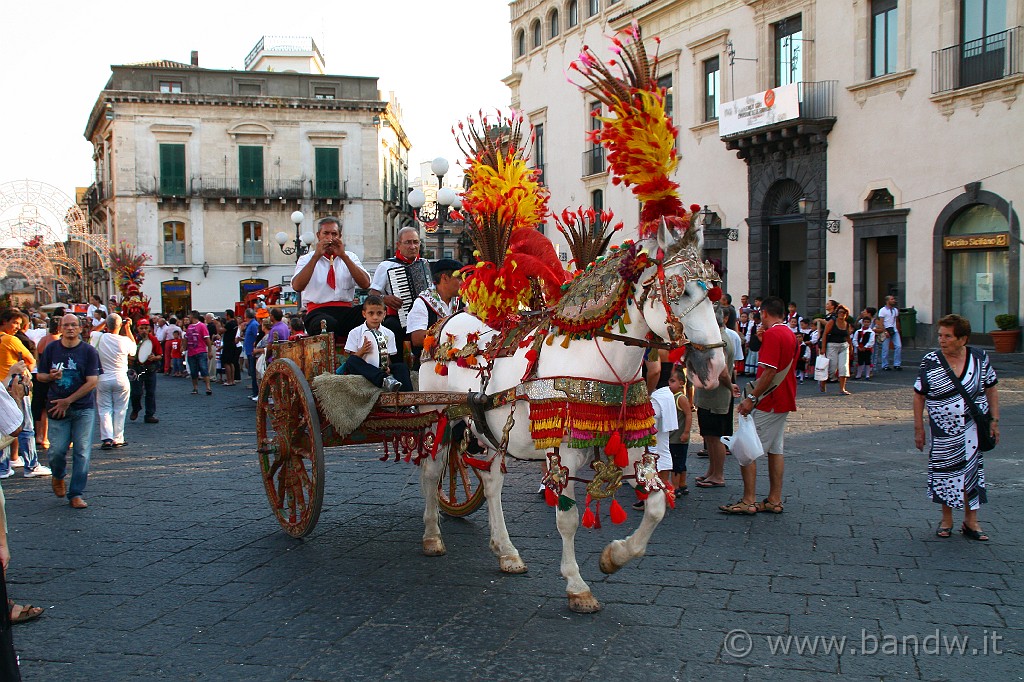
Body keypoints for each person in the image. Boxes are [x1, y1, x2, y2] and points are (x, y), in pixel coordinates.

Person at [913, 314, 999, 541]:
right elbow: (919, 394)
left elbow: (991, 388)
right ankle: (946, 519)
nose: (942, 340)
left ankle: (971, 521)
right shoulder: (931, 360)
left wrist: (995, 420)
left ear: (962, 339)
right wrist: (919, 428)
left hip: (972, 427)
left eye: (947, 336)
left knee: (972, 473)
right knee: (944, 473)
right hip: (942, 430)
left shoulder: (980, 358)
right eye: (940, 335)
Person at [721, 296, 799, 516]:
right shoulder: (788, 333)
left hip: (770, 400)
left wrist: (751, 398)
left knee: (747, 449)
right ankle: (774, 499)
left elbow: (769, 372)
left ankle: (749, 500)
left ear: (764, 313)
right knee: (775, 449)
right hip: (783, 397)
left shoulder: (774, 334)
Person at [38, 314, 101, 509]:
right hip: (57, 407)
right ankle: (58, 475)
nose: (70, 328)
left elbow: (92, 381)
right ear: (60, 328)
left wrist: (69, 400)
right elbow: (39, 376)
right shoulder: (52, 349)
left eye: (74, 325)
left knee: (82, 451)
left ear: (80, 328)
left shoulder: (89, 351)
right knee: (57, 451)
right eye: (66, 325)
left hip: (83, 408)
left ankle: (76, 493)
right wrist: (50, 376)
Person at [291, 216, 371, 339]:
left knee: (371, 313)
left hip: (346, 310)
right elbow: (297, 286)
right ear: (318, 235)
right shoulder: (306, 259)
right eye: (326, 234)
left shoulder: (350, 256)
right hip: (318, 311)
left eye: (334, 234)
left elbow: (365, 284)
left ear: (339, 236)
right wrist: (316, 257)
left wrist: (343, 256)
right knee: (328, 324)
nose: (330, 238)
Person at [694, 310, 738, 489]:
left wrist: (729, 386)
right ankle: (711, 471)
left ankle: (718, 475)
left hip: (716, 395)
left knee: (716, 437)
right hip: (710, 395)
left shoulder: (720, 340)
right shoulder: (721, 337)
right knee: (710, 436)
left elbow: (724, 371)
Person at [370, 226, 431, 354]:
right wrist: (384, 299)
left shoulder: (425, 264)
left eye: (415, 242)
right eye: (408, 242)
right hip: (397, 315)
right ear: (398, 245)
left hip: (422, 317)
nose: (412, 246)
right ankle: (396, 366)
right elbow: (372, 295)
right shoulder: (386, 266)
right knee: (392, 327)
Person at [342, 296, 411, 392]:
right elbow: (353, 358)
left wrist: (387, 368)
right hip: (364, 368)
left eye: (379, 313)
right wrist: (362, 350)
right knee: (351, 361)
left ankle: (408, 402)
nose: (375, 317)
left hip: (381, 367)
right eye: (371, 313)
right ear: (364, 314)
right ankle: (384, 379)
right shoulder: (355, 332)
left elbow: (388, 357)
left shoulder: (389, 333)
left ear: (385, 314)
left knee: (401, 367)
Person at [93, 313, 136, 449]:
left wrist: (104, 323)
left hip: (103, 377)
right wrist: (128, 328)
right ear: (120, 325)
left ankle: (107, 438)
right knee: (120, 409)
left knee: (104, 409)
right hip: (121, 377)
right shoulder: (124, 340)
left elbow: (92, 331)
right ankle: (118, 438)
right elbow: (133, 350)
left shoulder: (99, 337)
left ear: (107, 325)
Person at [638, 372, 681, 510]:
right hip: (663, 394)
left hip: (654, 396)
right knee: (662, 447)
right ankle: (664, 492)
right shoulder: (665, 350)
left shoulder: (653, 351)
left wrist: (647, 393)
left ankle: (653, 494)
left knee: (650, 449)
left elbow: (655, 370)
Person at [407, 258, 464, 363]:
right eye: (459, 278)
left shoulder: (462, 301)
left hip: (456, 358)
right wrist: (451, 336)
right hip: (430, 362)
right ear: (445, 278)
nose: (463, 282)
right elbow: (417, 338)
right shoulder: (423, 302)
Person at [128, 318, 162, 424]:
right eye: (141, 328)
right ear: (137, 329)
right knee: (136, 392)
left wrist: (154, 358)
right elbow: (127, 355)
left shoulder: (153, 340)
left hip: (149, 368)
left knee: (150, 392)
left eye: (146, 328)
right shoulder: (133, 340)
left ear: (149, 329)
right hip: (136, 368)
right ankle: (136, 408)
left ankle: (149, 414)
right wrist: (137, 358)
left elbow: (160, 355)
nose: (144, 330)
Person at [819, 305, 854, 396]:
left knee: (844, 368)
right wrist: (823, 348)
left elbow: (847, 336)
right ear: (837, 313)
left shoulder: (846, 324)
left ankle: (842, 389)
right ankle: (823, 381)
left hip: (843, 346)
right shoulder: (832, 322)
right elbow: (825, 334)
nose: (842, 314)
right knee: (832, 368)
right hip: (832, 345)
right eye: (840, 312)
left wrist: (850, 346)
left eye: (844, 313)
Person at [185, 311, 213, 396]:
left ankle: (208, 387)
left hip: (201, 351)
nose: (188, 317)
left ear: (193, 316)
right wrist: (184, 347)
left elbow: (207, 339)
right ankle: (195, 388)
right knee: (193, 371)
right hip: (191, 352)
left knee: (204, 369)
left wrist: (209, 350)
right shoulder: (189, 327)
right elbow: (186, 338)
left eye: (189, 316)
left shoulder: (202, 326)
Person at [878, 295, 903, 371]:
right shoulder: (883, 310)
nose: (893, 300)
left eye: (893, 299)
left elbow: (896, 320)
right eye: (892, 299)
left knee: (898, 346)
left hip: (894, 330)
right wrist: (885, 331)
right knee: (885, 348)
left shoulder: (895, 310)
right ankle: (885, 365)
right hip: (886, 330)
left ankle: (897, 364)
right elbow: (881, 322)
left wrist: (898, 329)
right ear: (887, 301)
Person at [241, 309, 260, 400]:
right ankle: (254, 392)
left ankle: (256, 392)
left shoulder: (253, 325)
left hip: (252, 351)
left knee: (254, 372)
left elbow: (257, 336)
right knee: (252, 372)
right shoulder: (251, 324)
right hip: (249, 351)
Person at [851, 317, 875, 381]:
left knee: (867, 361)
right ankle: (858, 375)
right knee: (860, 361)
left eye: (868, 322)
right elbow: (854, 339)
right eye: (865, 322)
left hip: (867, 349)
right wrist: (858, 346)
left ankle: (867, 375)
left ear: (870, 323)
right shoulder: (858, 331)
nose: (866, 323)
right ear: (862, 322)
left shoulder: (871, 332)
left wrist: (865, 347)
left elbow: (871, 341)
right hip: (859, 348)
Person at [220, 310, 240, 386]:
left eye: (226, 315)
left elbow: (221, 331)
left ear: (228, 315)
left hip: (228, 344)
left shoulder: (230, 323)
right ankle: (232, 380)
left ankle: (229, 380)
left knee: (226, 362)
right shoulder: (235, 323)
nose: (225, 316)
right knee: (231, 362)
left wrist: (218, 325)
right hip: (232, 343)